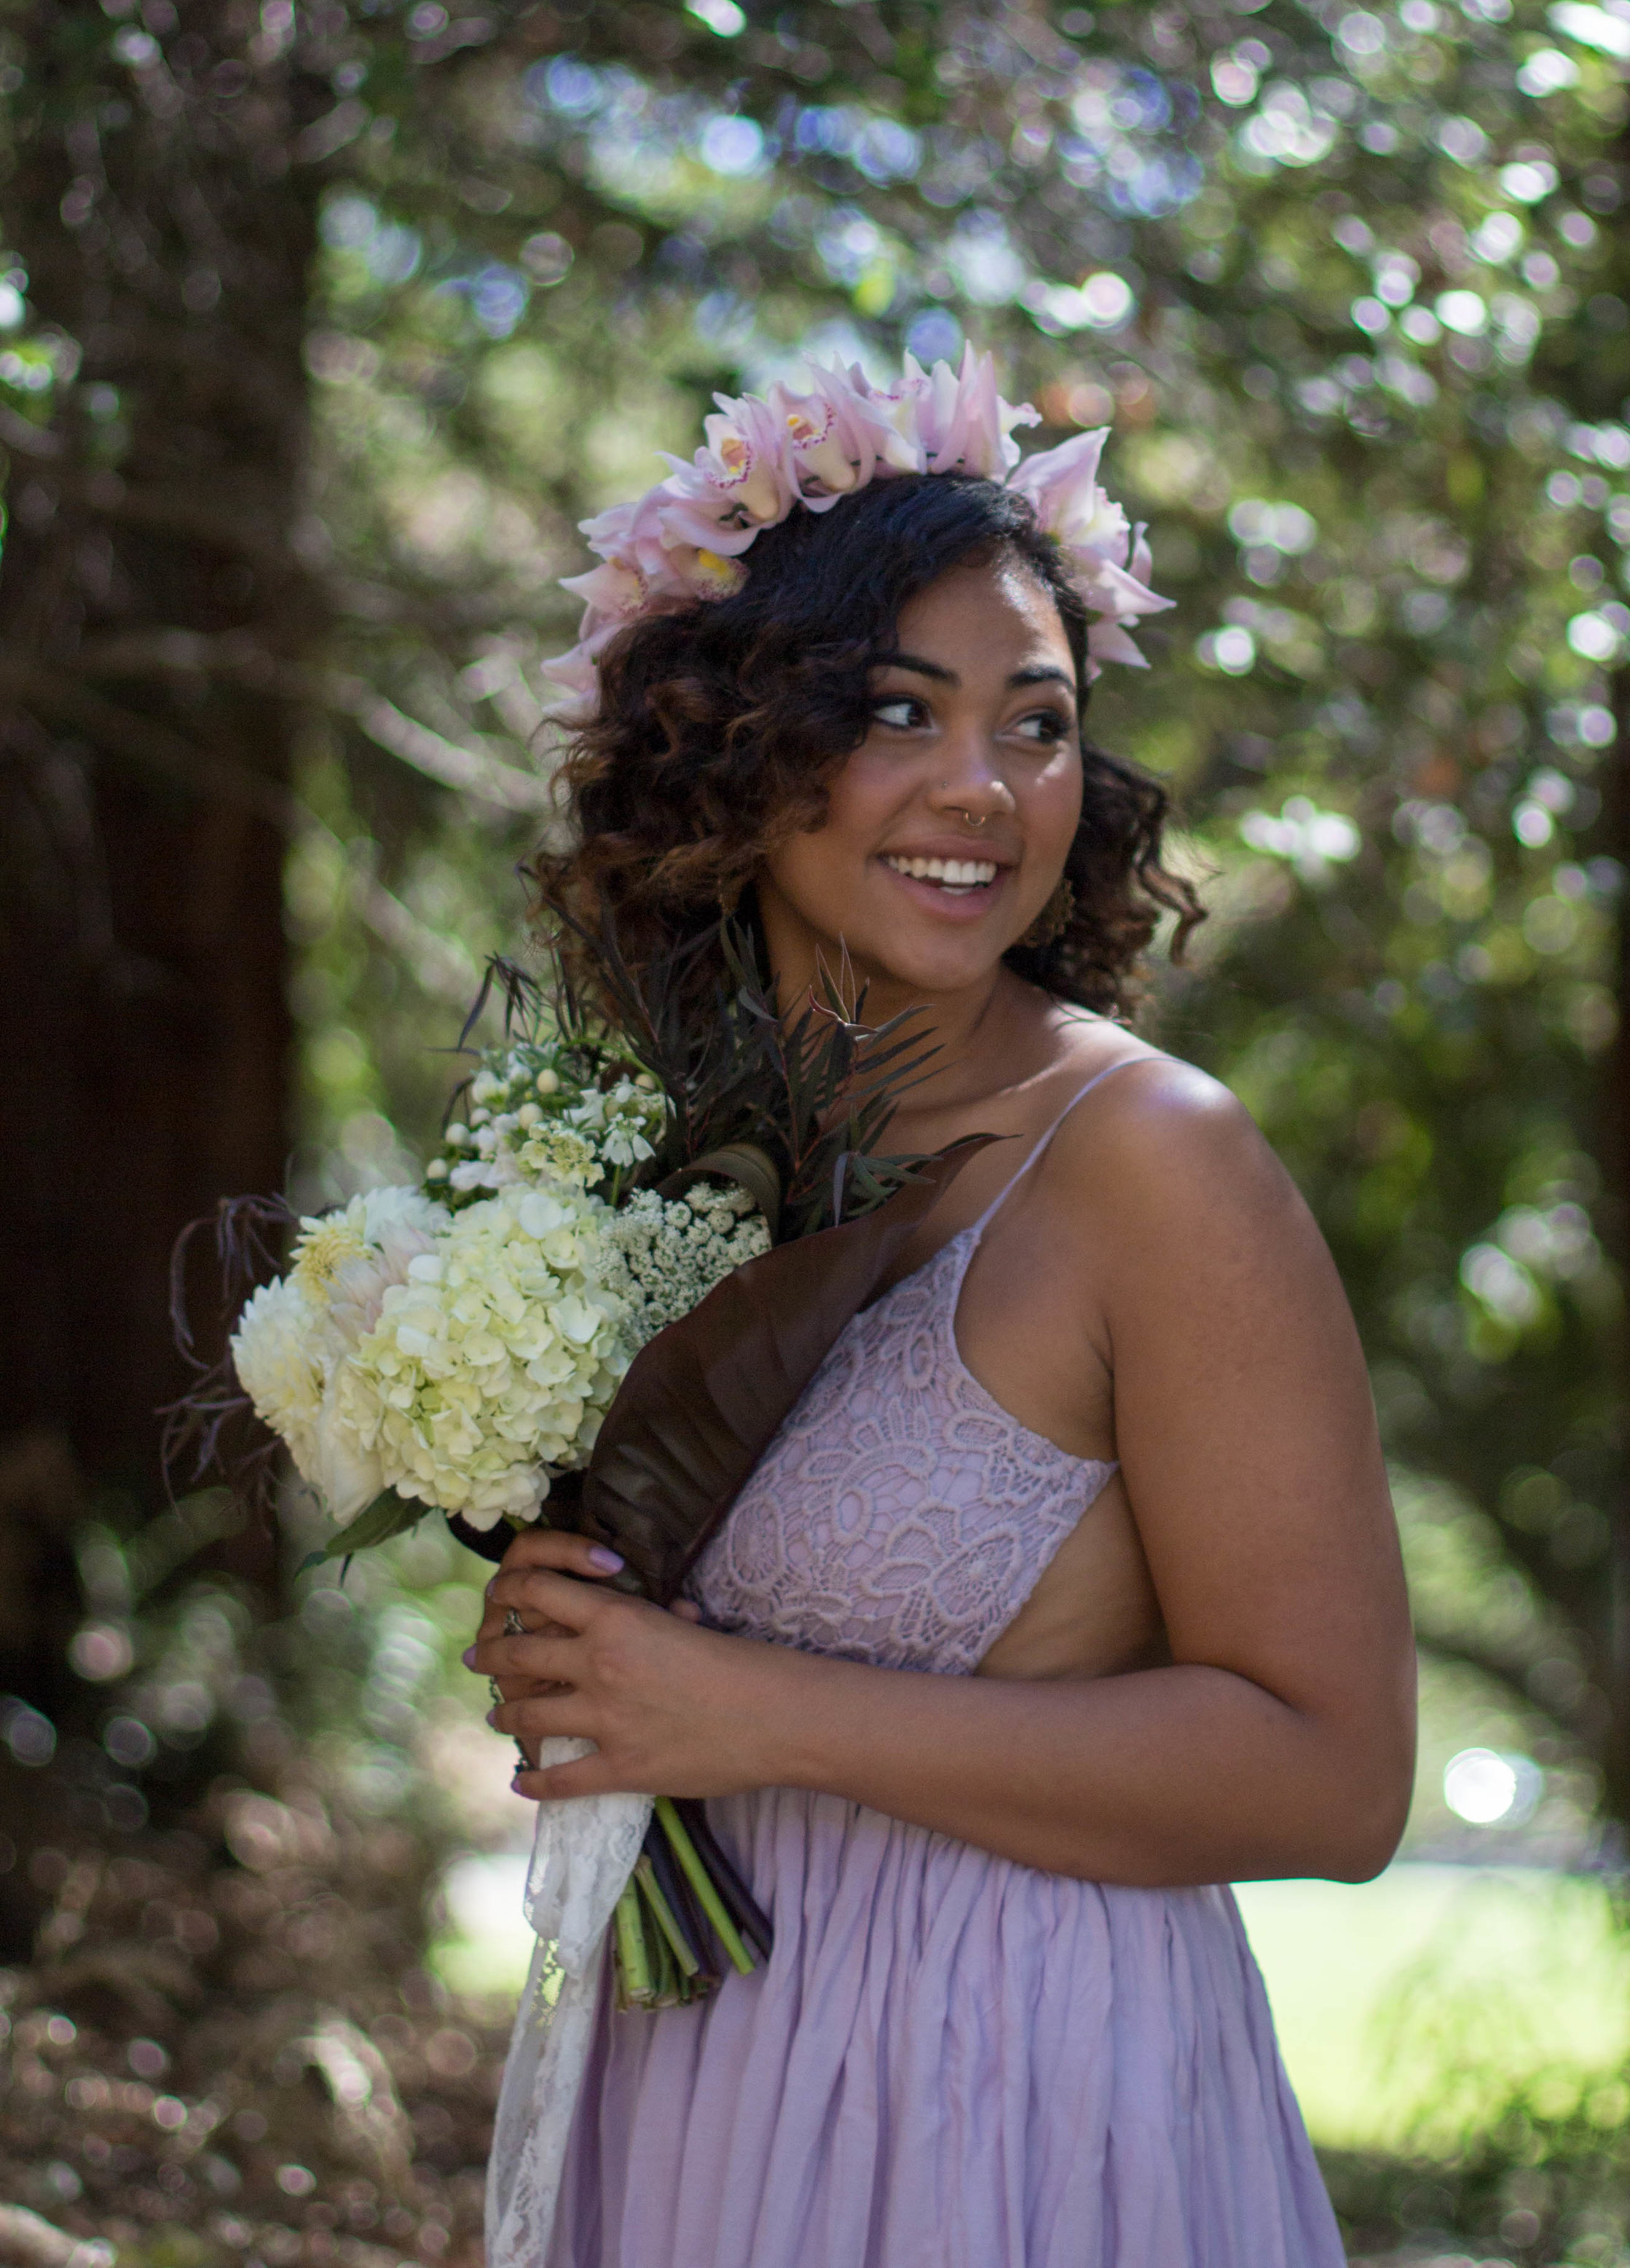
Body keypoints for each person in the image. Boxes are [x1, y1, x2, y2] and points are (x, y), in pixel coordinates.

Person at [467, 353, 1415, 2268]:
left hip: (1012, 2101)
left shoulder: (1152, 1165)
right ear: (731, 746)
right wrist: (571, 1632)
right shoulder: (657, 1161)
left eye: (1036, 724)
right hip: (700, 2084)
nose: (980, 790)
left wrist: (743, 1708)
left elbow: (1333, 1773)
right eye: (894, 711)